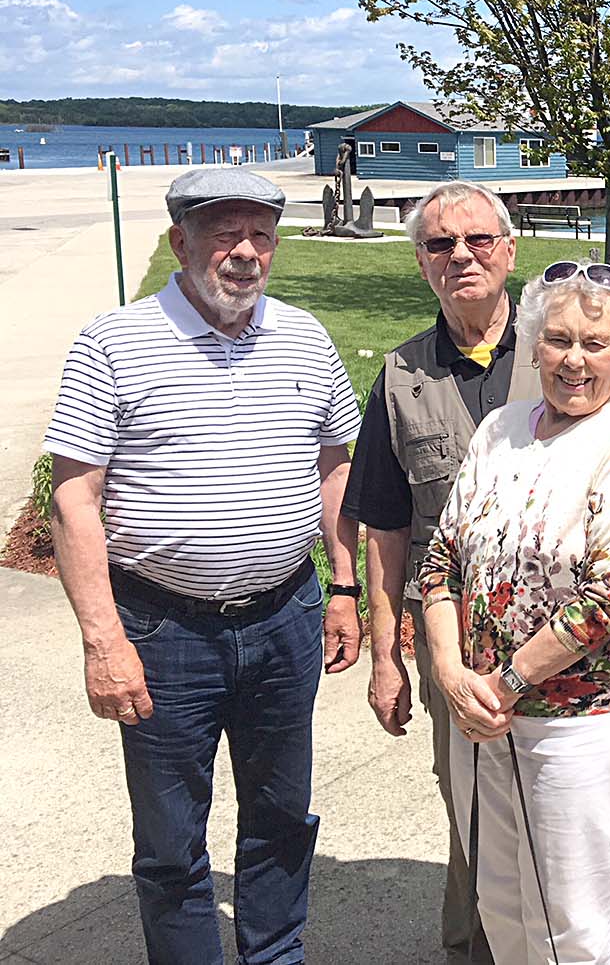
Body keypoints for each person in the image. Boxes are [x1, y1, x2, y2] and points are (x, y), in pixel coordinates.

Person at [44, 168, 362, 965]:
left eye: (260, 235)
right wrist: (103, 641)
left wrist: (344, 585)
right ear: (179, 241)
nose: (245, 252)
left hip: (285, 618)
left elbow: (335, 466)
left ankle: (274, 955)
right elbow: (74, 498)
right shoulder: (113, 342)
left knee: (283, 816)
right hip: (162, 630)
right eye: (224, 234)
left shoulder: (305, 336)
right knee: (170, 840)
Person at [419, 260, 610, 965]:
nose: (573, 360)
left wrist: (501, 686)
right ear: (534, 345)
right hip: (480, 719)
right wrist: (450, 674)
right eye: (558, 339)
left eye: (595, 343)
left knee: (571, 932)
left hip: (580, 728)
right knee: (500, 909)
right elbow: (440, 559)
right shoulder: (499, 427)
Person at [341, 180, 529, 964]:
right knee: (472, 814)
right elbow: (386, 529)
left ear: (508, 251)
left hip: (564, 643)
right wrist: (386, 655)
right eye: (440, 243)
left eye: (478, 239)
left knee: (560, 815)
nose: (461, 255)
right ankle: (472, 951)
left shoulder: (568, 351)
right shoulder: (400, 377)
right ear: (421, 263)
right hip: (453, 647)